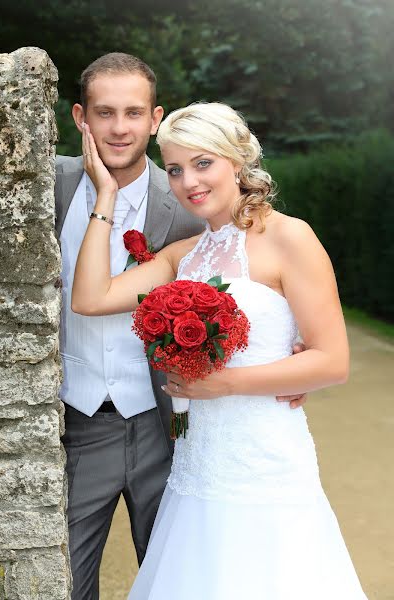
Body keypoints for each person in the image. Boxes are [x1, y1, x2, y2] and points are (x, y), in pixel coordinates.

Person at [72, 101, 367, 599]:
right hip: (198, 460)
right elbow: (90, 298)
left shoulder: (290, 237)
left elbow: (332, 361)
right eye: (175, 169)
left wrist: (227, 383)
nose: (189, 182)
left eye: (203, 163)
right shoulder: (184, 256)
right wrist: (106, 192)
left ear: (237, 159)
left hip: (266, 456)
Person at [56, 55, 305, 599]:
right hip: (76, 422)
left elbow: (258, 282)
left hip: (172, 425)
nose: (119, 128)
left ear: (155, 118)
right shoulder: (41, 188)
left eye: (133, 112)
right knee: (61, 583)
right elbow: (84, 299)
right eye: (104, 112)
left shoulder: (197, 204)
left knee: (184, 578)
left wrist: (289, 349)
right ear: (80, 117)